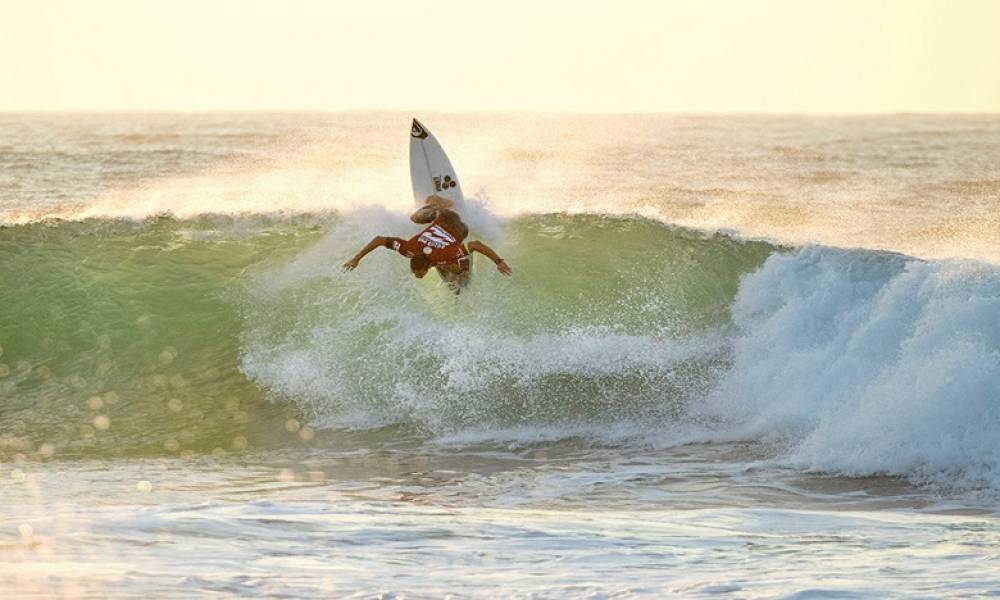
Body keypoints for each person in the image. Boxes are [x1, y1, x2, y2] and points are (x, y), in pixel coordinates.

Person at [342, 197, 511, 290]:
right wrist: (356, 258)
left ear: (427, 266)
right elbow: (379, 239)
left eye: (419, 274)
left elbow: (475, 245)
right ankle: (458, 274)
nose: (418, 276)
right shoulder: (407, 249)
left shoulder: (445, 255)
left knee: (415, 218)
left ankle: (437, 204)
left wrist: (499, 262)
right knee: (449, 264)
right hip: (449, 232)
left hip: (456, 223)